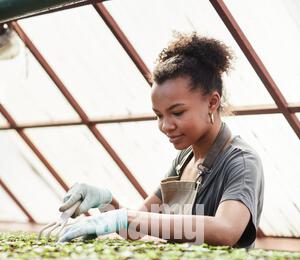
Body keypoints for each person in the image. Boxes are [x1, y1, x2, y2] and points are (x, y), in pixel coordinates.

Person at [58, 32, 264, 248]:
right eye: (159, 115)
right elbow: (135, 228)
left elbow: (226, 230)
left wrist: (124, 217)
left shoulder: (241, 162)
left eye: (177, 112)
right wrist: (106, 203)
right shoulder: (184, 159)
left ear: (212, 103)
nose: (165, 126)